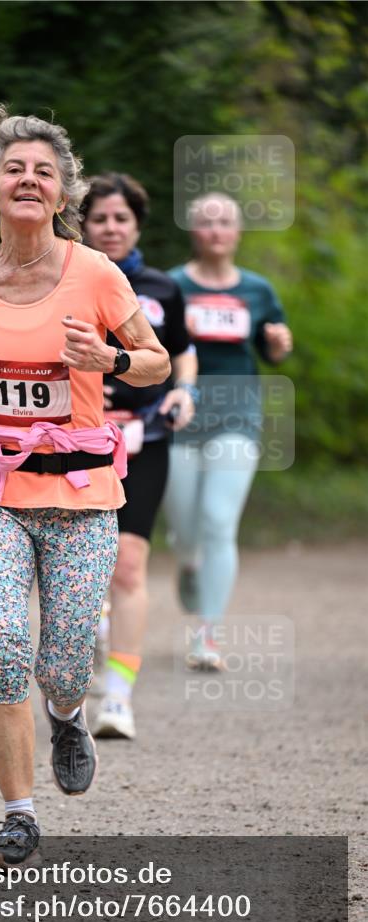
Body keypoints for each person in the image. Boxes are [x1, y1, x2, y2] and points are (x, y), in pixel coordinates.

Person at [0, 107, 170, 865]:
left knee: (60, 662)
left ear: (62, 196)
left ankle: (66, 712)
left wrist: (109, 362)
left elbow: (154, 359)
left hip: (83, 500)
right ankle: (17, 814)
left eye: (43, 172)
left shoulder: (96, 274)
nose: (27, 179)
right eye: (14, 168)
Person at [80, 173, 198, 740]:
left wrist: (183, 391)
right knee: (86, 569)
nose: (110, 227)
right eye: (99, 218)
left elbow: (181, 353)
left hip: (144, 442)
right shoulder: (63, 280)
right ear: (82, 224)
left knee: (128, 565)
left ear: (136, 224)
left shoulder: (163, 288)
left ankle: (119, 697)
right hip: (75, 443)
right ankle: (93, 635)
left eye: (120, 218)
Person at [164, 192, 293, 668]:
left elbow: (272, 347)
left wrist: (279, 343)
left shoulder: (258, 290)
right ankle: (188, 564)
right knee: (184, 531)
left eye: (225, 222)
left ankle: (207, 634)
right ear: (193, 231)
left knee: (220, 521)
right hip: (180, 419)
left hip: (237, 418)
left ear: (237, 232)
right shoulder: (172, 286)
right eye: (206, 221)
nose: (216, 230)